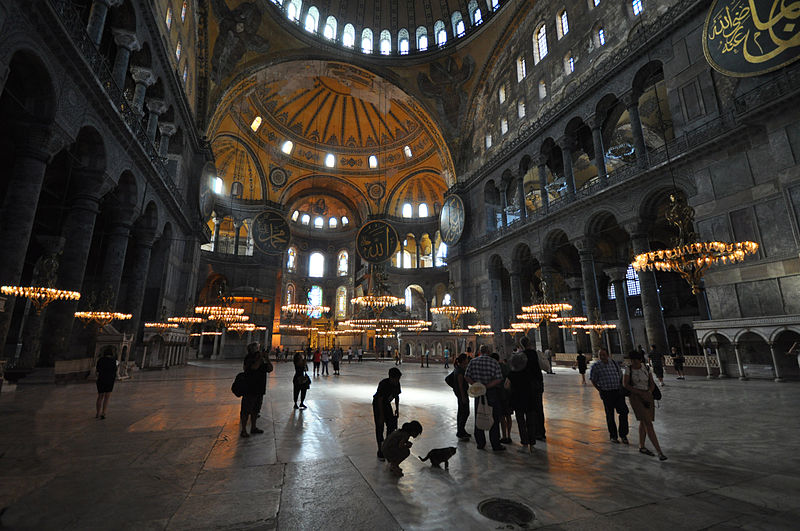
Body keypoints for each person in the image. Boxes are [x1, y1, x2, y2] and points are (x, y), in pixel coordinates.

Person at [623, 351, 667, 461]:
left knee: (644, 421)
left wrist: (649, 392)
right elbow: (625, 384)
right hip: (636, 397)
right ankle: (659, 451)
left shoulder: (646, 368)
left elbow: (651, 382)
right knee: (648, 423)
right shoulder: (628, 369)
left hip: (648, 396)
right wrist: (639, 392)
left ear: (640, 360)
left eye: (636, 360)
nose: (634, 362)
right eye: (632, 360)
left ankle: (641, 446)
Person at [465, 344, 505, 451]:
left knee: (479, 415)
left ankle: (480, 443)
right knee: (493, 417)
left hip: (479, 392)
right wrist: (487, 386)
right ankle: (495, 444)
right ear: (490, 352)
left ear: (480, 351)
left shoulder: (473, 361)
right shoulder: (494, 362)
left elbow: (466, 376)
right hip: (491, 392)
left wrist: (477, 385)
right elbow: (498, 379)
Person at [589, 348, 630, 444]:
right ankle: (613, 436)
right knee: (610, 415)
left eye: (603, 354)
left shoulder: (615, 364)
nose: (602, 357)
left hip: (618, 392)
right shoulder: (596, 366)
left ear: (608, 354)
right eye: (600, 355)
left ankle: (623, 434)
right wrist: (600, 390)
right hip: (606, 393)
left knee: (624, 412)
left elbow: (620, 376)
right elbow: (593, 380)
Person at [240, 343, 272, 437]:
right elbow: (254, 367)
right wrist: (260, 358)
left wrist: (267, 358)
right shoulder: (249, 358)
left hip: (259, 388)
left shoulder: (262, 360)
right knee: (246, 410)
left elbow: (270, 369)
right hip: (250, 388)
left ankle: (253, 427)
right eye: (257, 348)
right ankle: (244, 430)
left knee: (256, 410)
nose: (259, 350)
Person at [373, 367, 402, 460]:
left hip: (387, 404)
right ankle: (380, 449)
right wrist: (381, 416)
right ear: (390, 378)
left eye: (398, 379)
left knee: (391, 425)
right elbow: (380, 400)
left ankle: (387, 445)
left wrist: (397, 409)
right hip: (378, 405)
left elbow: (397, 396)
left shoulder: (397, 384)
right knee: (380, 427)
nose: (397, 381)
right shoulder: (383, 384)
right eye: (396, 379)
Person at [492, 353, 513, 445]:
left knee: (501, 416)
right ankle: (509, 435)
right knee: (508, 415)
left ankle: (504, 436)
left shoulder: (494, 367)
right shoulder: (505, 366)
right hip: (508, 393)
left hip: (499, 394)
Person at [452, 354, 471, 440]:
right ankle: (460, 432)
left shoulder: (459, 368)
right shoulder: (459, 371)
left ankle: (461, 430)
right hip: (461, 394)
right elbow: (460, 385)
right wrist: (463, 396)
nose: (467, 360)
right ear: (463, 360)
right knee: (465, 412)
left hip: (459, 394)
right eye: (466, 359)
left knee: (461, 412)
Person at [95, 348, 117, 419]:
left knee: (100, 396)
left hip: (101, 379)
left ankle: (97, 413)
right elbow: (115, 371)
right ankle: (103, 413)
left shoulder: (100, 360)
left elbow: (97, 371)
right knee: (107, 397)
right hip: (109, 380)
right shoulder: (113, 361)